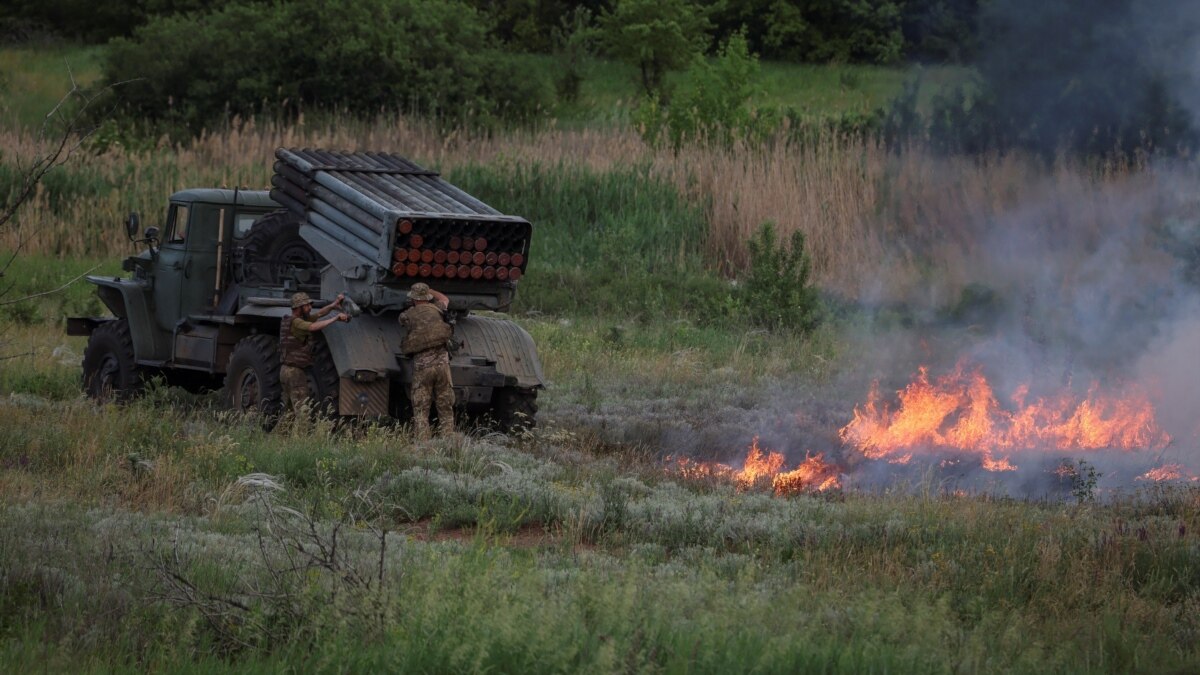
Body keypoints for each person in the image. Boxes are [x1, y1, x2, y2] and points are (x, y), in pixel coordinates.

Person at [399, 283, 455, 440]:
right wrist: (430, 290)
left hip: (423, 367)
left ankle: (424, 443)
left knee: (421, 407)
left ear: (413, 298)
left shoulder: (407, 314)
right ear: (427, 297)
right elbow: (445, 299)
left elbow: (403, 321)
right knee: (445, 405)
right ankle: (448, 440)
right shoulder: (438, 308)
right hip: (443, 365)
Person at [279, 291, 348, 415]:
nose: (310, 307)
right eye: (306, 305)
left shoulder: (291, 320)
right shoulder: (297, 323)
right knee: (303, 413)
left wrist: (333, 305)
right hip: (295, 372)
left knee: (288, 413)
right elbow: (312, 327)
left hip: (285, 370)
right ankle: (301, 434)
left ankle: (282, 433)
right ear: (298, 308)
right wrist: (336, 318)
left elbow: (320, 313)